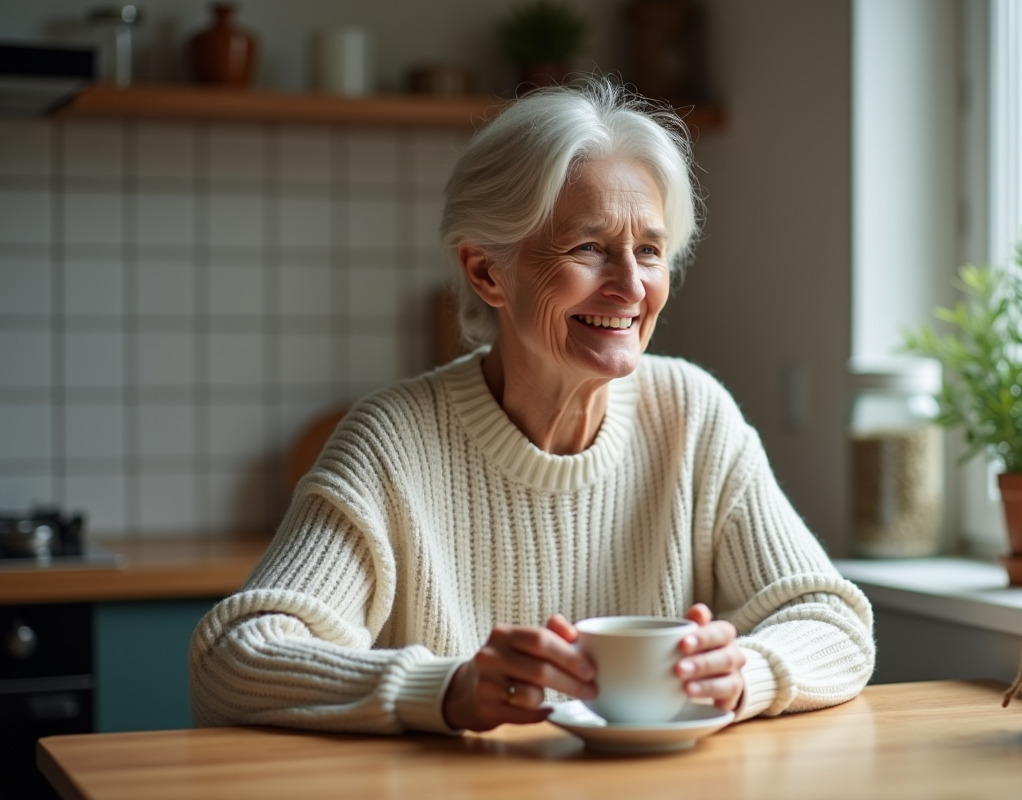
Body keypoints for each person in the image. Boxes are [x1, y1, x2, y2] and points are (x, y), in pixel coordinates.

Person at [189, 78, 875, 735]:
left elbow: (836, 625)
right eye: (589, 249)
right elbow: (234, 660)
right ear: (488, 271)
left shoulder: (692, 415)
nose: (632, 288)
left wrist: (744, 673)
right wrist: (448, 689)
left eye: (649, 250)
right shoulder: (391, 441)